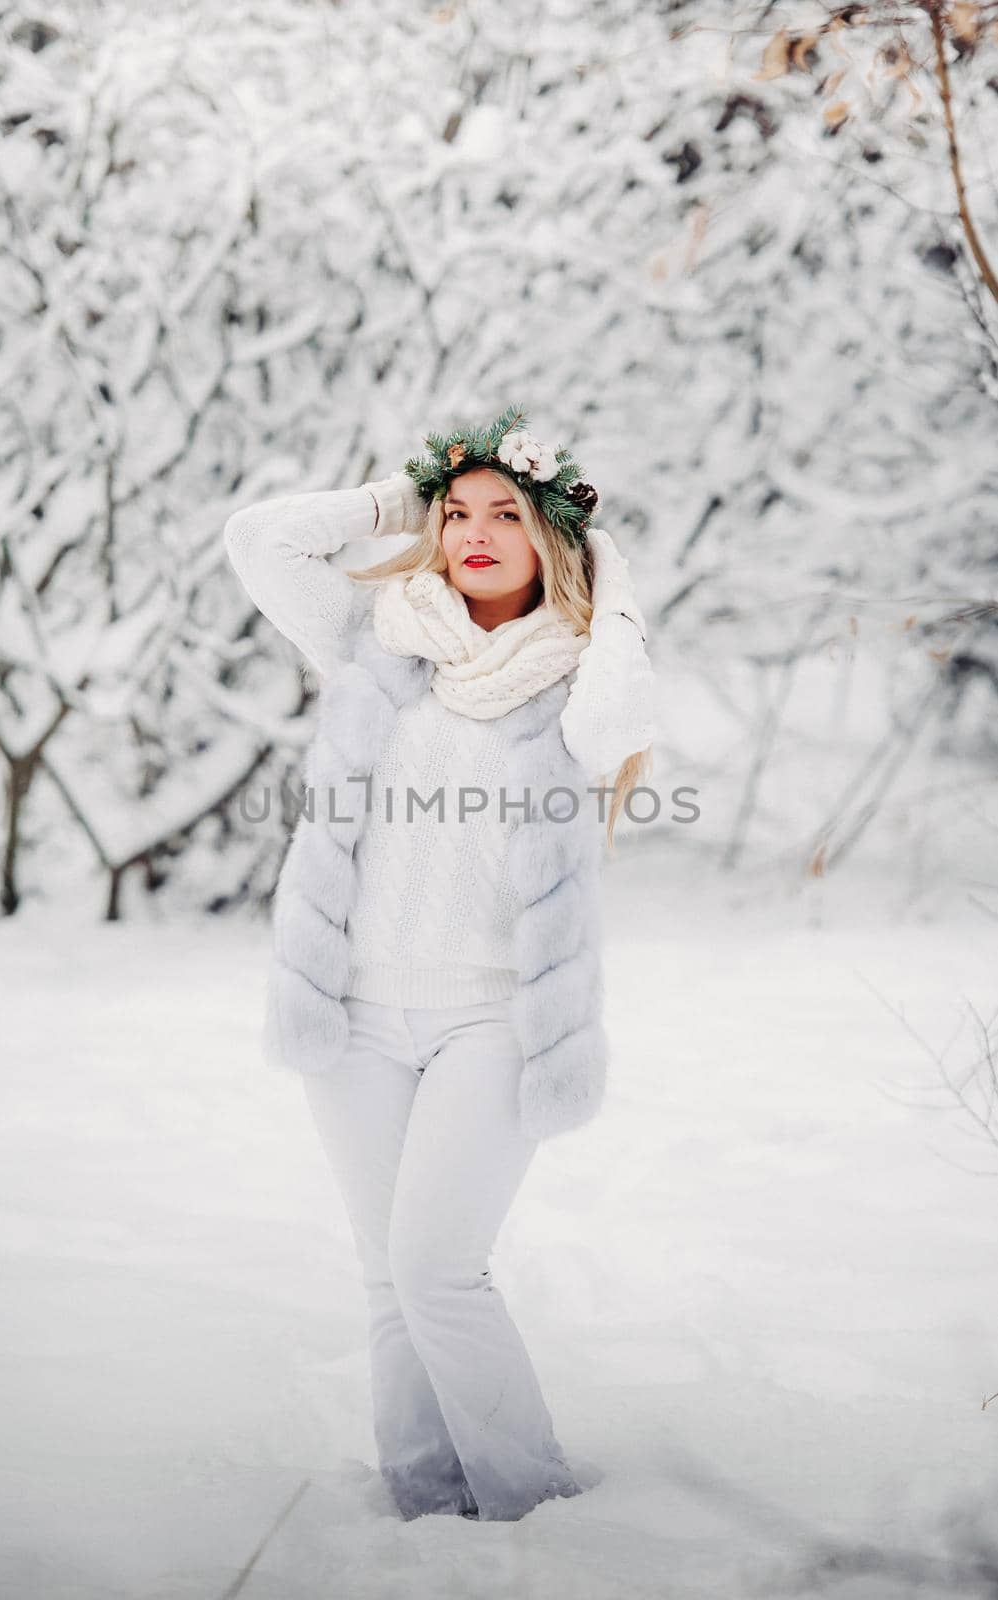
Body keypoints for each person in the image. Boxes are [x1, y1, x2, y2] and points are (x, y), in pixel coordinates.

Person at [222, 404, 656, 1523]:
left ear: (550, 535)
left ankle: (533, 1507)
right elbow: (260, 540)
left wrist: (604, 567)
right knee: (387, 1277)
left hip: (494, 1021)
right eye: (455, 513)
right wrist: (396, 502)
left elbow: (624, 714)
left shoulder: (576, 672)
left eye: (504, 513)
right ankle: (424, 1509)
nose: (471, 532)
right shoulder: (381, 638)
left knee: (436, 1270)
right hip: (354, 1011)